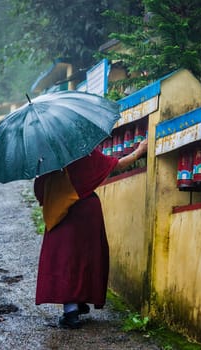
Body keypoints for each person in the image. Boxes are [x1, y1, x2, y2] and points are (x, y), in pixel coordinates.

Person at [34, 139, 148, 329]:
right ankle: (77, 303)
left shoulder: (48, 156)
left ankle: (71, 311)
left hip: (61, 211)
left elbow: (40, 189)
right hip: (87, 210)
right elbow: (117, 165)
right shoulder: (82, 148)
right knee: (86, 257)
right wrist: (140, 150)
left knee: (65, 259)